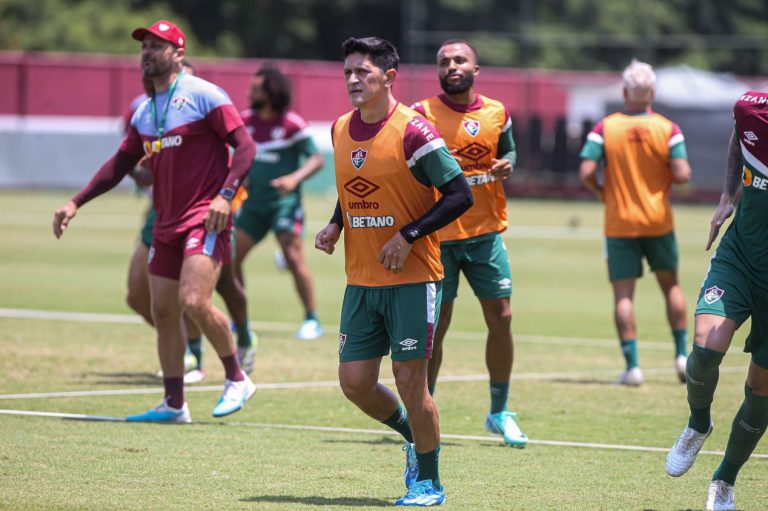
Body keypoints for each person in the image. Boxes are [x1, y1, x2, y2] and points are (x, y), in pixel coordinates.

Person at [52, 20, 257, 423]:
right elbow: (119, 165)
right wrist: (76, 203)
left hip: (205, 218)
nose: (147, 52)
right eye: (144, 46)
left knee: (193, 300)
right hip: (165, 223)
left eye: (157, 46)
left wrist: (225, 196)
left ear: (178, 54)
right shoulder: (146, 111)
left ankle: (237, 378)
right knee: (161, 310)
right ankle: (175, 403)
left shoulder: (204, 95)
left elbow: (245, 147)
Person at [315, 36, 472, 507]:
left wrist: (407, 236)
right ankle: (410, 433)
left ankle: (429, 481)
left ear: (388, 77)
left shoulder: (414, 132)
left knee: (410, 381)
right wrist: (334, 224)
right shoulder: (340, 128)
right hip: (361, 280)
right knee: (355, 383)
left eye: (363, 72)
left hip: (412, 280)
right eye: (347, 72)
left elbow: (460, 195)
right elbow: (352, 187)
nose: (353, 80)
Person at [410, 39, 526, 448]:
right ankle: (424, 410)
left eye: (460, 60)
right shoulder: (421, 113)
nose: (451, 66)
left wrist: (508, 164)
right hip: (438, 238)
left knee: (503, 317)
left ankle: (498, 412)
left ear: (476, 69)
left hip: (486, 234)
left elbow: (508, 149)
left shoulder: (498, 112)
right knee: (435, 329)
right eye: (444, 61)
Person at [665, 91, 768, 511]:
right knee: (706, 348)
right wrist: (728, 195)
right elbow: (738, 136)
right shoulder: (751, 108)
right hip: (739, 258)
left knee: (761, 389)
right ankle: (697, 423)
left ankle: (724, 478)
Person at [579, 59, 692, 386]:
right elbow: (683, 174)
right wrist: (664, 181)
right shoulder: (668, 128)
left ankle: (633, 368)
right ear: (652, 92)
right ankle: (682, 356)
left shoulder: (605, 127)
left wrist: (603, 192)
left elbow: (586, 172)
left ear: (625, 91)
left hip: (619, 223)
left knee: (624, 296)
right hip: (658, 220)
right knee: (671, 285)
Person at [235, 64, 325, 341]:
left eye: (257, 88)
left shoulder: (291, 124)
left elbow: (317, 158)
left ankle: (312, 319)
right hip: (252, 207)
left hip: (283, 205)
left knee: (293, 257)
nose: (251, 91)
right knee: (229, 259)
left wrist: (294, 179)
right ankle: (239, 320)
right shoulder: (245, 121)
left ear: (272, 92)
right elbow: (236, 155)